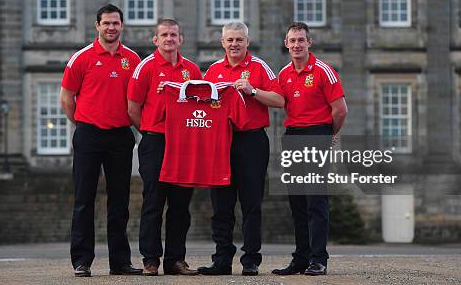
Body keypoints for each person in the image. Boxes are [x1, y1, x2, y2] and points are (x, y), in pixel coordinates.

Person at [60, 4, 142, 277]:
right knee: (84, 199)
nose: (111, 27)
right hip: (89, 135)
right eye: (106, 23)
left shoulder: (132, 59)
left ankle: (120, 261)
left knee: (119, 201)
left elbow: (140, 99)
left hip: (121, 135)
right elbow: (66, 98)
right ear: (97, 25)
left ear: (122, 26)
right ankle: (82, 261)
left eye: (116, 23)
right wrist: (84, 122)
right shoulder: (81, 58)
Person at [198, 21, 285, 276]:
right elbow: (200, 105)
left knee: (251, 203)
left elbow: (279, 100)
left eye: (239, 40)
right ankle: (222, 259)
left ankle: (250, 260)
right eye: (230, 40)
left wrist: (253, 90)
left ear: (247, 42)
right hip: (220, 142)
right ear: (222, 43)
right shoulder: (213, 70)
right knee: (221, 204)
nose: (234, 44)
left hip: (251, 141)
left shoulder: (259, 67)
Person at [127, 19, 202, 276]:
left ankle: (175, 260)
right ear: (155, 40)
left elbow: (201, 106)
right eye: (164, 35)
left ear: (181, 39)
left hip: (184, 145)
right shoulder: (144, 68)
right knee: (153, 202)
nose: (169, 39)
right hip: (155, 141)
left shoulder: (192, 70)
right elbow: (133, 108)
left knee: (181, 205)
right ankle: (150, 260)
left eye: (174, 35)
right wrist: (149, 130)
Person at [273, 22, 348, 276]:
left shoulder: (323, 71)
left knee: (315, 201)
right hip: (292, 135)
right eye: (292, 41)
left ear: (309, 43)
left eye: (301, 40)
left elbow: (340, 109)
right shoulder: (283, 74)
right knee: (297, 203)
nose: (296, 45)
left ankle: (319, 259)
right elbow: (277, 101)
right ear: (286, 44)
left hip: (317, 134)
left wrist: (329, 134)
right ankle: (301, 259)